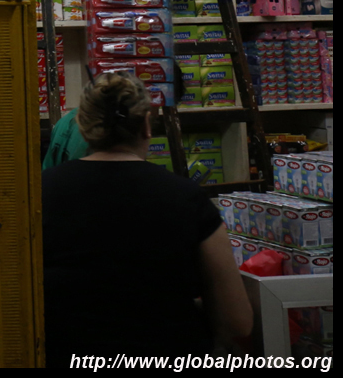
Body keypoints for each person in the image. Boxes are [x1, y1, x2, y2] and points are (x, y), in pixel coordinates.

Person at [42, 73, 252, 364]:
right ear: (146, 126)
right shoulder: (186, 197)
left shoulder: (40, 194)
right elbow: (238, 322)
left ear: (82, 125)